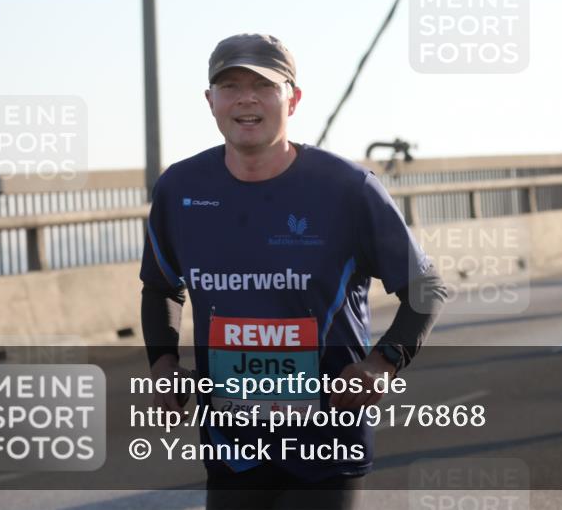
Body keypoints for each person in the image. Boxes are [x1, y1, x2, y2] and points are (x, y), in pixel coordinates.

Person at [140, 34, 447, 510]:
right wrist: (162, 365)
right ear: (210, 102)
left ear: (293, 98)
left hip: (327, 445)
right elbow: (162, 285)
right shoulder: (180, 188)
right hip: (231, 446)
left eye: (263, 85)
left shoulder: (348, 189)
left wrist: (382, 364)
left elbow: (425, 288)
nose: (245, 98)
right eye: (229, 86)